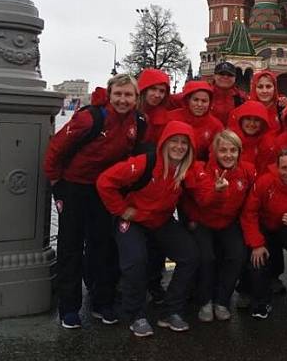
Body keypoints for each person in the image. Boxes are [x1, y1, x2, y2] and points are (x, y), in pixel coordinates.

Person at [43, 73, 143, 329]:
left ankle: (102, 302)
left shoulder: (138, 122)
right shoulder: (91, 117)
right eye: (118, 94)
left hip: (105, 190)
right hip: (76, 187)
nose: (123, 100)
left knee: (103, 247)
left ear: (136, 98)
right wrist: (57, 183)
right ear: (110, 95)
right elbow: (57, 147)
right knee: (71, 247)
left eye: (128, 95)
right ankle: (69, 307)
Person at [96, 121, 205, 337]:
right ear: (164, 143)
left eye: (185, 143)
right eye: (174, 141)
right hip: (134, 220)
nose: (179, 147)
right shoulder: (145, 163)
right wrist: (122, 209)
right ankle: (135, 314)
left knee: (190, 255)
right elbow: (104, 181)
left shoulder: (186, 170)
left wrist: (195, 216)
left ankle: (171, 310)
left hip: (160, 220)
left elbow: (196, 196)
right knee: (135, 261)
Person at [182, 130, 254, 322]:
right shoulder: (201, 169)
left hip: (228, 222)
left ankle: (222, 300)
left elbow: (250, 203)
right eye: (223, 150)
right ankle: (205, 300)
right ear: (214, 151)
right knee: (206, 258)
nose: (228, 155)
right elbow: (202, 200)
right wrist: (217, 191)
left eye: (233, 150)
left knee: (237, 254)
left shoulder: (246, 171)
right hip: (203, 221)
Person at [240, 148, 287, 324]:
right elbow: (249, 213)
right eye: (284, 168)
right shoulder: (264, 182)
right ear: (278, 167)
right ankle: (261, 301)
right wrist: (257, 243)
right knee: (256, 259)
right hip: (266, 227)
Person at [168, 80, 224, 161]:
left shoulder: (216, 126)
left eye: (204, 101)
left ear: (210, 103)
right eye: (195, 100)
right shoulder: (171, 118)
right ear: (188, 100)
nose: (199, 105)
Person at [228, 100, 275, 169]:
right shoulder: (229, 141)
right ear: (241, 120)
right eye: (248, 119)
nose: (252, 124)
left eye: (256, 120)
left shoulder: (268, 145)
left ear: (263, 123)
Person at [137, 68, 171, 144]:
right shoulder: (127, 108)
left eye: (162, 91)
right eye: (153, 89)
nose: (157, 95)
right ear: (144, 89)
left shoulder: (163, 118)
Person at [210, 61, 247, 126]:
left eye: (230, 75)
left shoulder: (242, 98)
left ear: (235, 78)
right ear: (214, 76)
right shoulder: (206, 94)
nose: (225, 77)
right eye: (221, 74)